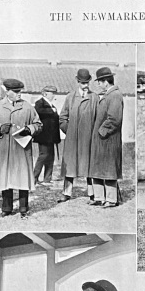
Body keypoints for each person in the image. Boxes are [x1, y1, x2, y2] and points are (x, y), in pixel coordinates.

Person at [0, 78, 41, 218]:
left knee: (23, 178)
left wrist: (30, 129)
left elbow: (38, 124)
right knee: (6, 178)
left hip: (22, 148)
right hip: (5, 149)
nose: (19, 94)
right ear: (7, 92)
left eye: (20, 91)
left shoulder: (27, 107)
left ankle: (23, 208)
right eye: (15, 92)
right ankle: (6, 208)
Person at [58, 68, 97, 204]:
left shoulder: (94, 97)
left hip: (88, 138)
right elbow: (62, 118)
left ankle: (92, 193)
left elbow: (98, 118)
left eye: (87, 83)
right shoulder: (70, 97)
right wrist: (69, 131)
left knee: (89, 166)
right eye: (82, 83)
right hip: (72, 139)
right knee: (70, 165)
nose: (85, 85)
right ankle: (66, 193)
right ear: (77, 81)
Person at [89, 67, 123, 208]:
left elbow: (114, 119)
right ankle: (99, 197)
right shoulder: (108, 95)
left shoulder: (115, 95)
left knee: (109, 169)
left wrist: (101, 132)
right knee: (97, 168)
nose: (98, 84)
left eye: (99, 82)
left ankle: (111, 199)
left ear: (105, 82)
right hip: (101, 140)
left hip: (108, 139)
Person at [33, 85, 61, 186]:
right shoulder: (39, 103)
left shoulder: (51, 105)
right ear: (45, 94)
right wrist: (52, 111)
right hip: (43, 136)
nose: (53, 95)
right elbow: (38, 111)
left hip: (51, 137)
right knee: (43, 155)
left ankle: (47, 179)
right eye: (52, 93)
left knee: (50, 157)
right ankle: (34, 178)